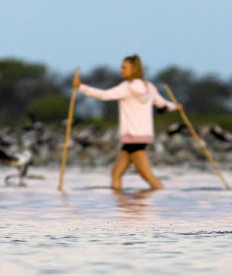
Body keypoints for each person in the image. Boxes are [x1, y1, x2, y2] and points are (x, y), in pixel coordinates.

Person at [73, 54, 181, 190]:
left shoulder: (126, 87)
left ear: (134, 69)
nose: (121, 70)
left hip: (132, 138)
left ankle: (161, 202)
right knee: (116, 173)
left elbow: (104, 95)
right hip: (140, 137)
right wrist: (175, 106)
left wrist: (81, 87)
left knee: (147, 176)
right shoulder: (149, 88)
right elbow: (162, 105)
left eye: (124, 67)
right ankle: (121, 207)